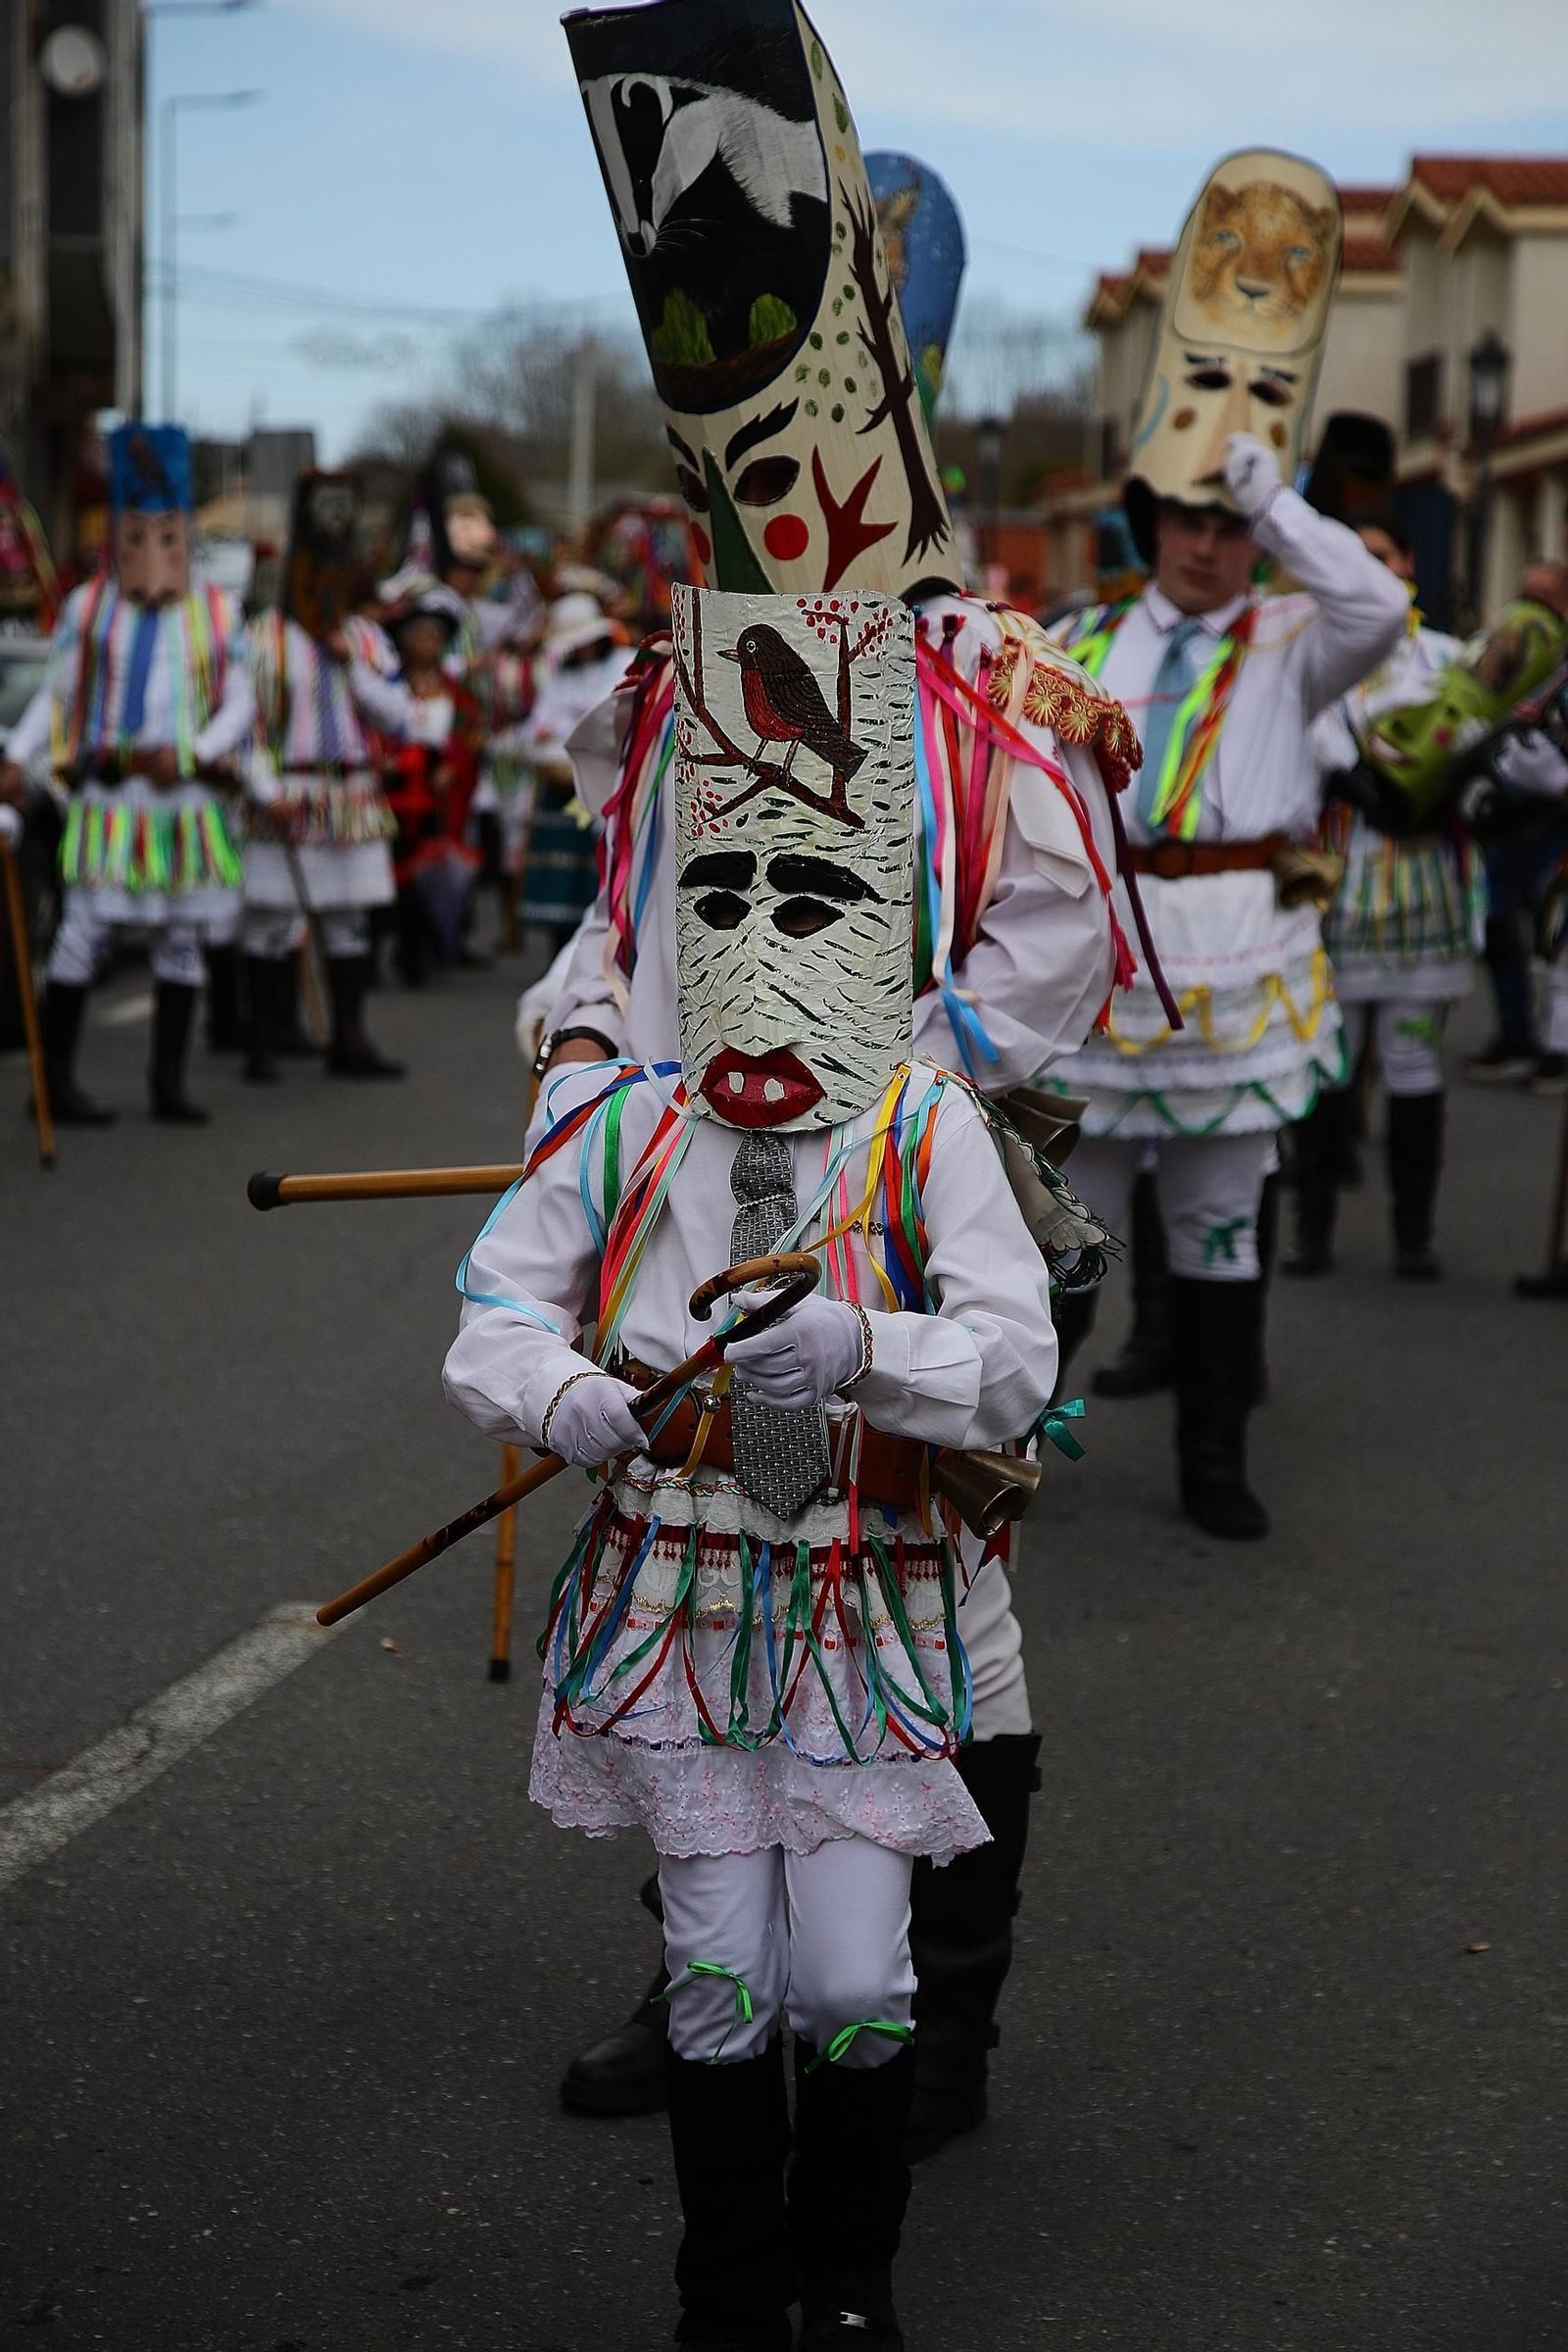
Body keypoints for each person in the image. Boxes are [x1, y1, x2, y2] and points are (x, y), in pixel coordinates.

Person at [543, 0, 1135, 2181]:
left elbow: (1048, 943)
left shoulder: (976, 687)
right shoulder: (679, 687)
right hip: (702, 1196)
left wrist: (895, 1107)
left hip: (910, 1200)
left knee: (931, 1594)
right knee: (697, 1572)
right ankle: (693, 1963)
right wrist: (599, 1067)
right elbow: (616, 915)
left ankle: (929, 2018)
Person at [445, 576, 1060, 2352]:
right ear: (674, 930)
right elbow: (491, 1308)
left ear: (877, 925)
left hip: (868, 1598)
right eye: (723, 894)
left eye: (814, 895)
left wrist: (867, 1350)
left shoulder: (921, 1127)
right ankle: (726, 2293)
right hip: (686, 1597)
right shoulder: (627, 1124)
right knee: (721, 1968)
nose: (767, 929)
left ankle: (851, 2272)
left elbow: (1013, 1363)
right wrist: (557, 1396)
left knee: (856, 1978)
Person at [1044, 150, 1408, 1540]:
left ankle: (1212, 1460)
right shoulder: (1079, 645)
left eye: (1224, 522)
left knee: (1221, 1228)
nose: (1207, 543)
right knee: (1062, 1232)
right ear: (1149, 527)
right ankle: (1008, 1447)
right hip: (1106, 962)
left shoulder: (1293, 636)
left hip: (1240, 960)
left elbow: (1375, 603)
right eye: (1189, 518)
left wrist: (1281, 504)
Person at [0, 423, 255, 1125]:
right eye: (134, 532)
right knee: (82, 930)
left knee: (180, 938)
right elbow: (58, 693)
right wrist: (16, 762)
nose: (150, 549)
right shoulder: (88, 607)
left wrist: (197, 752)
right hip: (111, 800)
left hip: (184, 802)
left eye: (165, 532)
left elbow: (241, 700)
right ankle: (53, 1083)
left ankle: (166, 1084)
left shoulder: (218, 611)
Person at [1285, 514, 1474, 1276]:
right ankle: (1314, 1232)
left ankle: (1413, 1236)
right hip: (1336, 885)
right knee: (1331, 1066)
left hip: (1421, 884)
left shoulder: (1447, 660)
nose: (1369, 569)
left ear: (1408, 570)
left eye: (1384, 556)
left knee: (1412, 1067)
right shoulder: (1310, 662)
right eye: (1355, 558)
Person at [242, 468, 404, 1082]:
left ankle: (350, 1041)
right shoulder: (263, 638)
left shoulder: (363, 638)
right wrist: (265, 790)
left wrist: (352, 666)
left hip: (352, 793)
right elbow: (247, 727)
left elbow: (400, 714)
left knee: (348, 922)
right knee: (271, 923)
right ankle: (263, 1041)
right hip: (289, 789)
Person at [1462, 562, 1568, 1090]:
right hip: (1506, 824)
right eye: (1527, 596)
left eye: (1547, 599)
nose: (1534, 610)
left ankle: (1557, 1046)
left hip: (1553, 827)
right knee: (1500, 932)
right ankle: (1517, 1036)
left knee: (1554, 939)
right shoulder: (1505, 654)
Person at [365, 591, 484, 981]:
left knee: (425, 872)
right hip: (394, 788)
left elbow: (470, 738)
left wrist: (452, 767)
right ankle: (373, 953)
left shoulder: (456, 692)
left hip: (434, 792)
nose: (426, 644)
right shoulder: (388, 685)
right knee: (385, 873)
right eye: (419, 636)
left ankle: (417, 952)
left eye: (433, 638)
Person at [515, 591, 633, 953]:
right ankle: (558, 951)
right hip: (561, 786)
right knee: (559, 874)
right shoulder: (560, 677)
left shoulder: (624, 665)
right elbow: (538, 728)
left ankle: (598, 950)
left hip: (605, 785)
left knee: (595, 871)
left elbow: (617, 721)